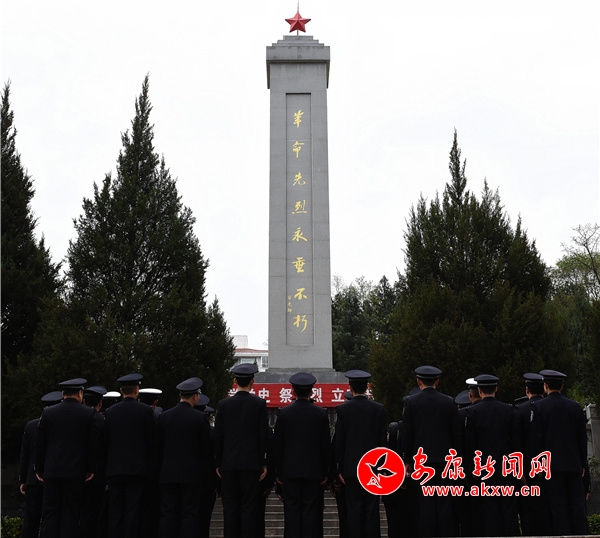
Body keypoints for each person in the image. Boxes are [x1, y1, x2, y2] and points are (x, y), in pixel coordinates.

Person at [34, 378, 97, 538]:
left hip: (52, 470)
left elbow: (40, 443)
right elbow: (92, 444)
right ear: (80, 393)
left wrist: (39, 468)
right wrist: (91, 469)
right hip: (75, 472)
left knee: (50, 512)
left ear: (63, 394)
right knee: (71, 513)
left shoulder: (48, 413)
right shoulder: (88, 413)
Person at [530, 369, 589, 535]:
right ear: (562, 386)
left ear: (545, 386)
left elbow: (537, 438)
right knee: (577, 506)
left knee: (558, 506)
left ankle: (561, 533)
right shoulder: (575, 407)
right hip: (573, 464)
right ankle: (581, 534)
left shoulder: (538, 407)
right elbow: (582, 438)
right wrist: (582, 463)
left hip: (551, 466)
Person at [214, 363, 269, 538]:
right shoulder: (259, 404)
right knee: (249, 509)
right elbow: (263, 435)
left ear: (235, 381)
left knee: (230, 509)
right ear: (252, 382)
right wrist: (264, 462)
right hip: (251, 465)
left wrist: (218, 462)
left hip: (228, 465)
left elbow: (219, 436)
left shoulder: (224, 405)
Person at [156, 377, 214, 538]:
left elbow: (159, 447)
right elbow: (205, 449)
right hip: (192, 475)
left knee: (167, 514)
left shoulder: (164, 417)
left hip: (168, 474)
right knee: (189, 514)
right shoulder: (199, 418)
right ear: (195, 396)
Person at [402, 365, 456, 537]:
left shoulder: (411, 402)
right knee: (444, 503)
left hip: (421, 461)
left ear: (419, 381)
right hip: (445, 460)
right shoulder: (449, 402)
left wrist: (407, 460)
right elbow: (455, 433)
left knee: (425, 504)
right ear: (437, 382)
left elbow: (407, 433)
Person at [274, 373, 330, 538]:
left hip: (290, 472)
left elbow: (278, 446)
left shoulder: (283, 414)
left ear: (293, 391)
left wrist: (278, 472)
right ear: (311, 392)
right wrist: (326, 472)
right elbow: (325, 445)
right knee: (311, 514)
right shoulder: (321, 414)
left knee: (291, 513)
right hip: (313, 472)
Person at [464, 374, 520, 537]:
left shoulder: (471, 412)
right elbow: (515, 441)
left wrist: (471, 467)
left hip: (484, 466)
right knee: (509, 506)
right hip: (506, 465)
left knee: (489, 508)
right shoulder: (509, 410)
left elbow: (470, 443)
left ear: (479, 390)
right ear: (496, 389)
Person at [334, 369, 387, 538]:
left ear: (350, 388)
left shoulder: (343, 409)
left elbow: (340, 441)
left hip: (351, 468)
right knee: (372, 510)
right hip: (373, 468)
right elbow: (382, 442)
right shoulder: (378, 409)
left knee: (354, 511)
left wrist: (339, 468)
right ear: (367, 387)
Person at [104, 373, 155, 538]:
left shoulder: (110, 412)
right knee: (133, 509)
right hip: (137, 468)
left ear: (121, 391)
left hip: (114, 468)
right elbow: (150, 440)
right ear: (136, 390)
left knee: (115, 508)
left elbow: (106, 441)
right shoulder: (145, 411)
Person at [18, 391, 62, 538]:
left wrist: (23, 479)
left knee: (30, 520)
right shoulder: (58, 426)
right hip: (51, 478)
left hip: (32, 480)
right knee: (50, 518)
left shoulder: (30, 425)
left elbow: (25, 455)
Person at [515, 373, 552, 536]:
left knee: (529, 512)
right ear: (543, 389)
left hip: (527, 470)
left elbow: (516, 442)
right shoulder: (549, 408)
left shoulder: (520, 410)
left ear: (527, 390)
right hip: (550, 467)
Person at [79, 385, 108, 538]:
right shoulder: (103, 420)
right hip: (98, 473)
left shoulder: (78, 418)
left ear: (84, 402)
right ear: (100, 403)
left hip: (76, 471)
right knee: (96, 513)